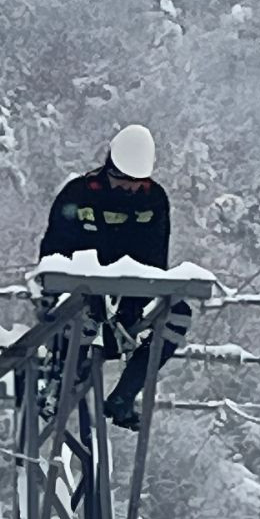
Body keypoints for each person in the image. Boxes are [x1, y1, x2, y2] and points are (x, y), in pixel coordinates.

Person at [38, 124, 192, 430]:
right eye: (123, 181)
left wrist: (134, 304)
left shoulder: (154, 201)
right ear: (109, 170)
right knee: (81, 314)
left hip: (128, 300)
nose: (131, 190)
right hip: (77, 299)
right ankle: (65, 379)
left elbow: (154, 261)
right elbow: (53, 256)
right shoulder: (79, 195)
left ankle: (125, 394)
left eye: (138, 183)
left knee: (177, 315)